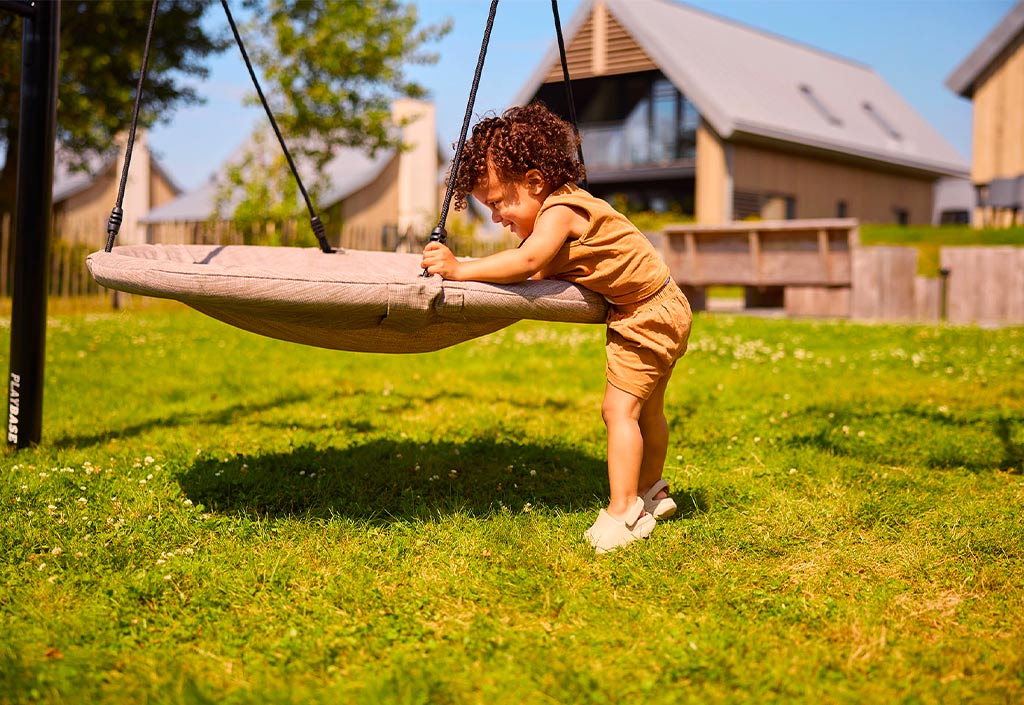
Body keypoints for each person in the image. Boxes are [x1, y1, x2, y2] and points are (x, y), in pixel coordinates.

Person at [421, 103, 692, 554]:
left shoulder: (560, 211)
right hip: (666, 304)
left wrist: (458, 269)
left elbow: (527, 262)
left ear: (533, 182)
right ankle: (652, 491)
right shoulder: (566, 207)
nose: (494, 217)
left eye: (497, 203)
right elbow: (532, 270)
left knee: (617, 412)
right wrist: (477, 267)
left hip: (643, 315)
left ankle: (625, 510)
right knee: (648, 410)